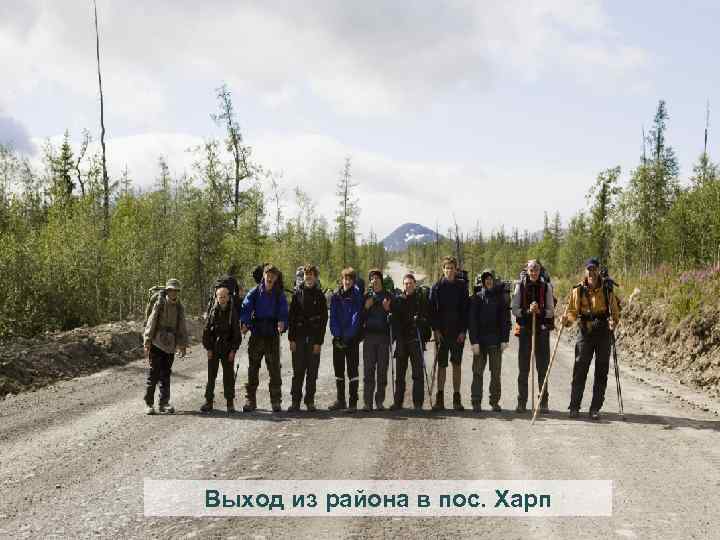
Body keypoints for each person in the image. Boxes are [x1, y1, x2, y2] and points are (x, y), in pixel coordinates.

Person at [562, 258, 621, 420]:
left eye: (594, 269)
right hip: (585, 331)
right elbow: (573, 312)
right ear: (585, 271)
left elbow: (615, 313)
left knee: (601, 372)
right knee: (580, 369)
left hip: (603, 333)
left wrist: (613, 323)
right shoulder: (578, 291)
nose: (591, 272)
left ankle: (595, 408)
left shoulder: (607, 289)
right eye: (589, 269)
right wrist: (567, 321)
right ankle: (574, 406)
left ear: (598, 270)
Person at [240, 264, 289, 413]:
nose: (269, 277)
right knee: (253, 368)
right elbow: (246, 308)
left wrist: (282, 322)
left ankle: (276, 401)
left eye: (272, 276)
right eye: (267, 275)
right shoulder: (254, 292)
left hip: (272, 334)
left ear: (275, 278)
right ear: (263, 276)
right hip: (257, 333)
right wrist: (245, 323)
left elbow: (283, 310)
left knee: (274, 369)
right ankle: (250, 400)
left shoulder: (279, 294)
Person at [511, 259, 555, 413]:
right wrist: (528, 312)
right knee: (523, 368)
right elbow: (514, 309)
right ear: (527, 271)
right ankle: (522, 402)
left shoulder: (546, 287)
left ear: (540, 270)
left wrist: (540, 312)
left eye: (536, 270)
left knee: (543, 368)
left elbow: (551, 311)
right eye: (531, 270)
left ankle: (543, 402)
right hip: (525, 330)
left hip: (541, 331)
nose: (534, 272)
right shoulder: (520, 286)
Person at [143, 278, 189, 415]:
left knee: (166, 374)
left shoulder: (179, 307)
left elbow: (182, 326)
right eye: (171, 290)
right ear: (167, 290)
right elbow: (151, 322)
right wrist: (147, 341)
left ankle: (164, 403)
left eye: (175, 290)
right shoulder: (159, 303)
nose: (173, 293)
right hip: (157, 342)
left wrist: (183, 345)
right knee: (154, 374)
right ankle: (149, 404)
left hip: (170, 344)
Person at [429, 256, 470, 411]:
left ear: (456, 269)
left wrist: (463, 331)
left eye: (452, 268)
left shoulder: (462, 287)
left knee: (457, 365)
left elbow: (466, 311)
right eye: (446, 268)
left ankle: (457, 399)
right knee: (442, 365)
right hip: (441, 334)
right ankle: (439, 399)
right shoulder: (436, 287)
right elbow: (431, 311)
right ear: (443, 269)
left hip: (457, 333)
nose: (449, 270)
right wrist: (436, 330)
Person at [468, 269, 511, 413]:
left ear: (494, 280)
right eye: (486, 278)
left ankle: (494, 402)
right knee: (477, 373)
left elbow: (505, 320)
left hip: (496, 342)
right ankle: (476, 402)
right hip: (480, 342)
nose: (488, 280)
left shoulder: (500, 299)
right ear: (482, 281)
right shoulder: (476, 298)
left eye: (490, 278)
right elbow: (472, 322)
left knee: (495, 373)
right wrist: (474, 341)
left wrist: (505, 339)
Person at [287, 264, 328, 412]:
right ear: (303, 277)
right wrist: (291, 339)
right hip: (298, 338)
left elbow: (323, 321)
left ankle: (310, 401)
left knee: (312, 372)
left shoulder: (320, 296)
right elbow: (291, 318)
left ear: (315, 277)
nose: (308, 277)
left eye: (311, 274)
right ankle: (295, 402)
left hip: (313, 339)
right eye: (306, 275)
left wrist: (319, 342)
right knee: (298, 371)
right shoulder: (297, 294)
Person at [390, 273, 430, 410]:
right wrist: (391, 319)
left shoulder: (420, 300)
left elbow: (426, 318)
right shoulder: (398, 300)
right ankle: (397, 402)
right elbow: (394, 319)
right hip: (402, 340)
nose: (408, 285)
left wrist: (421, 321)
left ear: (415, 284)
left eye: (410, 283)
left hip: (415, 340)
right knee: (400, 374)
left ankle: (418, 403)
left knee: (418, 374)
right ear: (403, 285)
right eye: (406, 283)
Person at [201, 286, 242, 413]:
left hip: (228, 349)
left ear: (228, 297)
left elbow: (237, 334)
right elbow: (206, 332)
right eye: (220, 297)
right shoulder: (212, 311)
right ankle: (208, 402)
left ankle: (230, 403)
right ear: (217, 298)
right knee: (211, 376)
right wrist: (208, 348)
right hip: (213, 348)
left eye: (224, 296)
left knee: (228, 377)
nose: (222, 299)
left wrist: (233, 351)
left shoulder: (232, 313)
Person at [329, 267, 364, 412]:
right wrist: (337, 335)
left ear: (353, 281)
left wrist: (348, 336)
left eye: (349, 279)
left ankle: (353, 402)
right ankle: (340, 400)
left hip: (351, 340)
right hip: (338, 339)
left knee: (352, 371)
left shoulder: (357, 296)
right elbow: (333, 317)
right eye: (345, 279)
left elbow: (356, 317)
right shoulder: (336, 296)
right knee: (338, 370)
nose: (347, 281)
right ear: (342, 279)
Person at [361, 269, 393, 412]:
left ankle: (379, 401)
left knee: (382, 371)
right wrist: (366, 308)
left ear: (381, 279)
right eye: (372, 278)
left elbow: (394, 316)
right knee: (368, 371)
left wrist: (388, 309)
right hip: (369, 337)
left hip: (384, 337)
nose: (375, 280)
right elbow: (360, 318)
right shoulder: (366, 296)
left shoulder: (388, 296)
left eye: (377, 277)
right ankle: (367, 403)